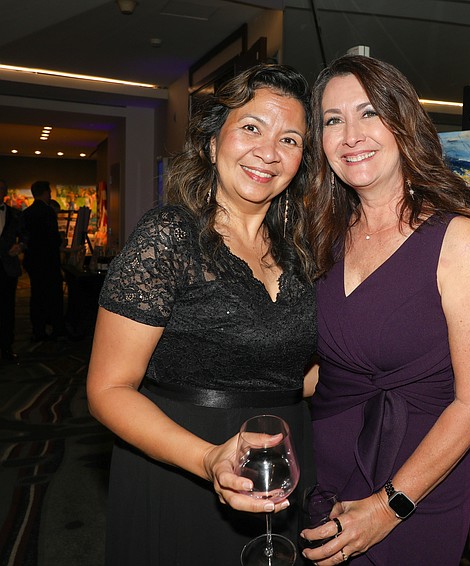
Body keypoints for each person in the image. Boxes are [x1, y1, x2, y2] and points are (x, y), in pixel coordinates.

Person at [86, 64, 318, 565]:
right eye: (251, 127)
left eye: (291, 139)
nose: (269, 152)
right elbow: (107, 390)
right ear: (213, 144)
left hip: (286, 461)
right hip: (182, 465)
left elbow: (301, 368)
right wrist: (208, 458)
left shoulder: (303, 252)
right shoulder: (168, 237)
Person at [300, 55, 470, 565]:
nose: (351, 135)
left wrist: (388, 506)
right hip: (323, 475)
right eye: (333, 120)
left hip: (416, 491)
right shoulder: (323, 236)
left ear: (403, 123)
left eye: (368, 113)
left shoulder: (457, 239)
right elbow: (322, 369)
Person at [21, 180, 65, 340]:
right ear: (46, 193)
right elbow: (52, 239)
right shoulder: (48, 213)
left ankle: (38, 329)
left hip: (33, 261)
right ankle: (56, 328)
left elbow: (25, 238)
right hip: (48, 261)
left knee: (37, 295)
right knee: (53, 295)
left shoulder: (26, 213)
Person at [0, 179, 24, 361]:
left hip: (8, 267)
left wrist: (20, 245)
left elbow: (26, 236)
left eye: (2, 189)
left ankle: (6, 347)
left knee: (7, 309)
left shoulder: (15, 214)